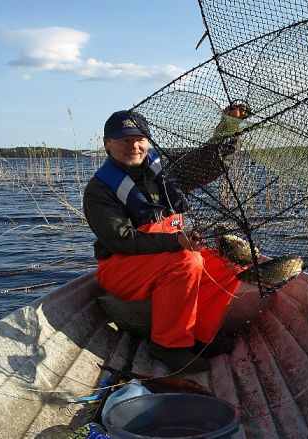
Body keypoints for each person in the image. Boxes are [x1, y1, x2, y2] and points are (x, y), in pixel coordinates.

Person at [83, 107, 249, 373]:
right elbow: (121, 241)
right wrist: (177, 244)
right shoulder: (99, 190)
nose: (133, 146)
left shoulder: (166, 169)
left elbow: (209, 161)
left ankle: (198, 338)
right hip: (120, 269)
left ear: (148, 141)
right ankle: (168, 345)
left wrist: (229, 126)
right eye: (124, 139)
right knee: (185, 261)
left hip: (167, 258)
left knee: (229, 263)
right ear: (107, 144)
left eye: (139, 139)